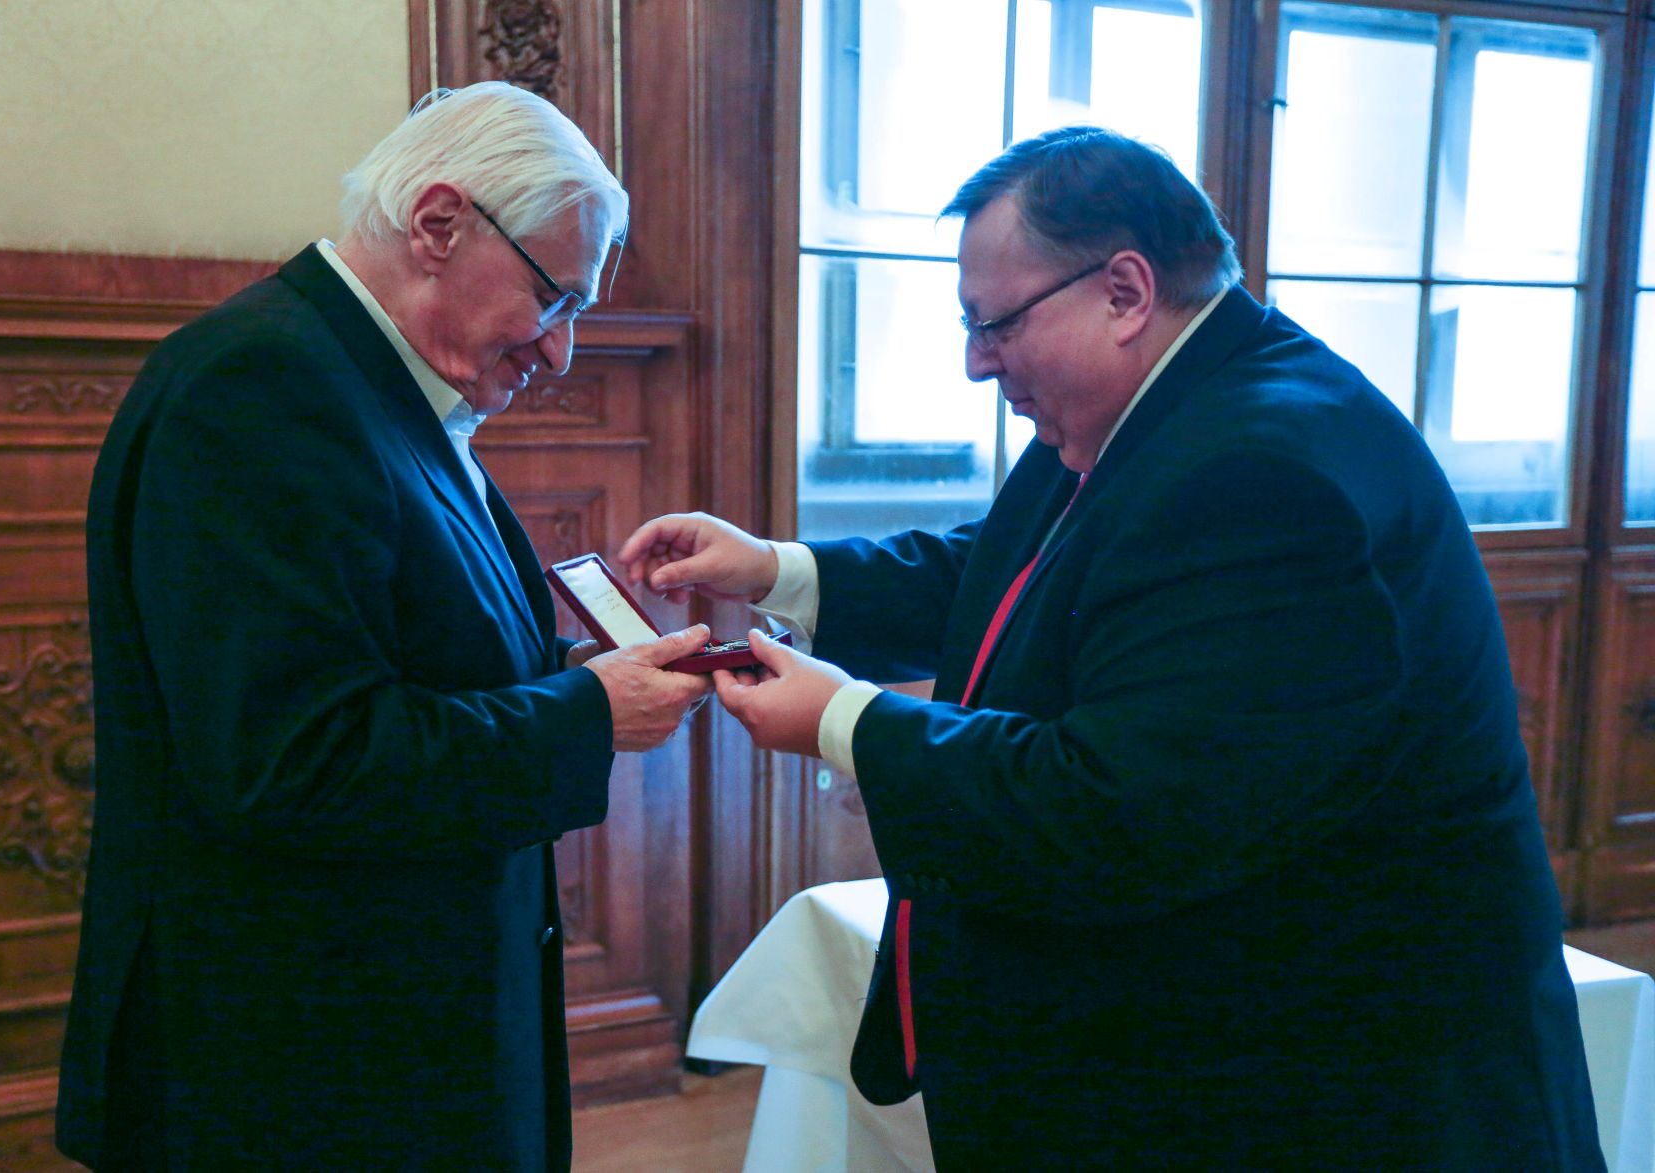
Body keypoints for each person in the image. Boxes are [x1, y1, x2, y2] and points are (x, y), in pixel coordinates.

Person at [619, 127, 1604, 1169]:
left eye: (993, 324)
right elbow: (1010, 571)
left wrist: (843, 722)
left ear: (1124, 291)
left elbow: (1121, 805)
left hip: (1320, 1088)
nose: (972, 362)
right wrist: (777, 571)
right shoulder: (1161, 402)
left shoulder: (1261, 471)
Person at [56, 83, 712, 1171]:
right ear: (439, 224)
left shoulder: (376, 384)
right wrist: (583, 715)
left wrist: (579, 674)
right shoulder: (259, 387)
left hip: (380, 1032)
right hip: (294, 1063)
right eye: (553, 298)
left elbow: (407, 664)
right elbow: (295, 760)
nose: (557, 354)